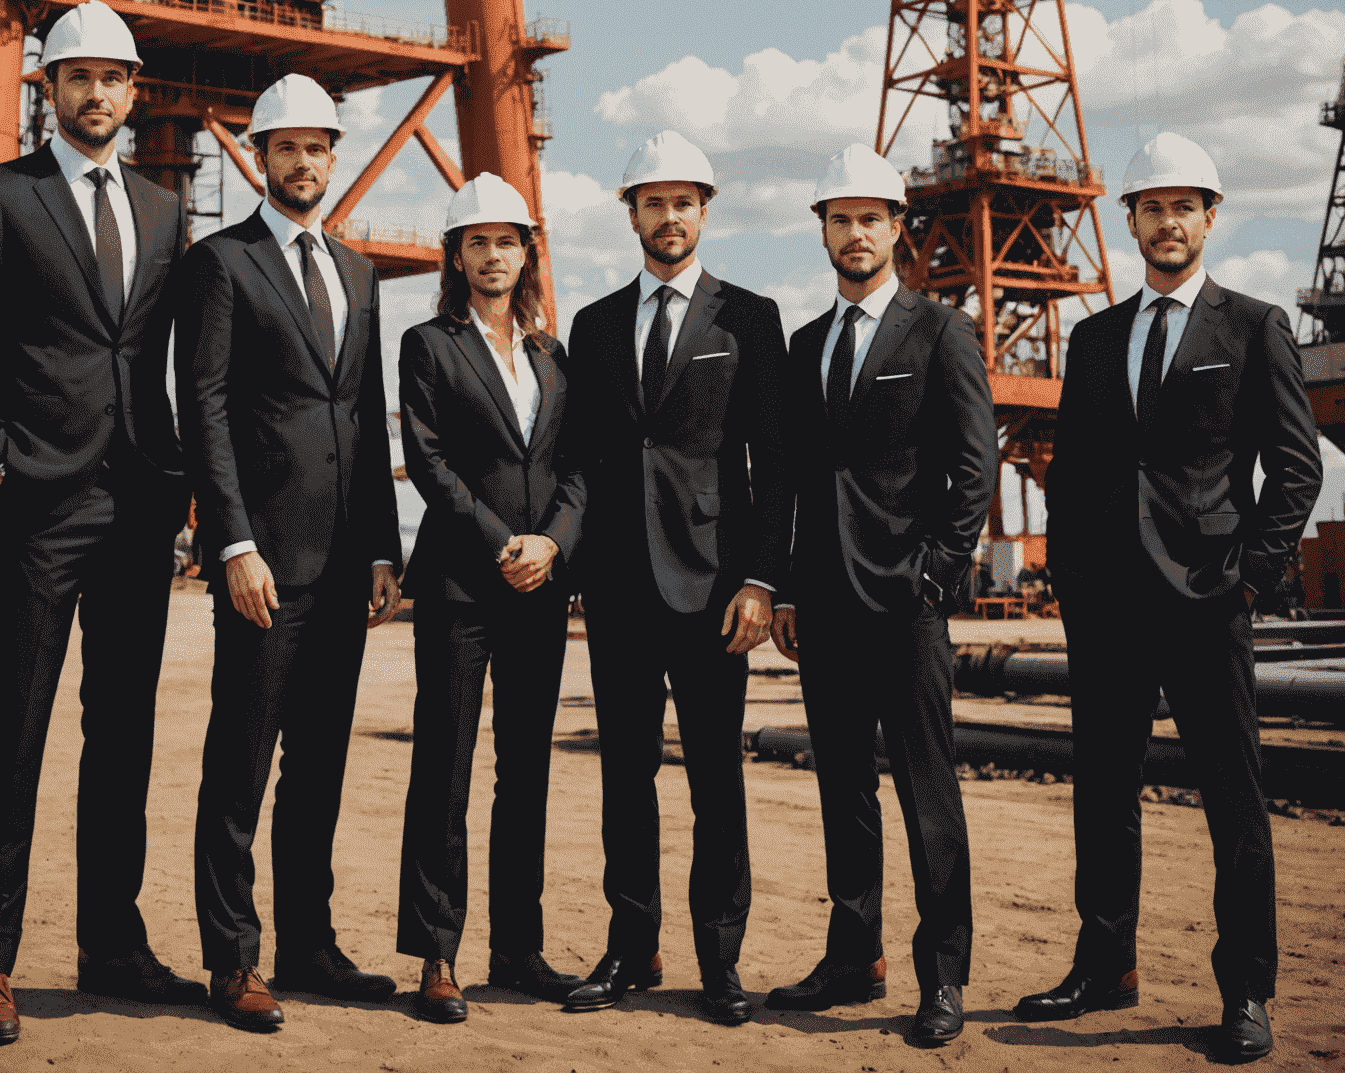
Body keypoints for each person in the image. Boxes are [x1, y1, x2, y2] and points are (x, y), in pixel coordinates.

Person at [1015, 132, 1322, 1064]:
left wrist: (1250, 577)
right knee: (1103, 793)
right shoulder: (1096, 337)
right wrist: (1070, 581)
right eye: (1151, 207)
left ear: (1210, 217)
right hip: (1107, 610)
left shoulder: (1252, 325)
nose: (1168, 221)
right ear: (1132, 220)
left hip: (1204, 603)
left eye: (1184, 205)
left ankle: (1248, 992)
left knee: (1234, 800)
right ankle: (1104, 965)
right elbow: (1070, 478)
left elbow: (1297, 470)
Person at [0, 0, 200, 1047]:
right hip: (43, 497)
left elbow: (181, 357)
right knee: (14, 729)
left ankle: (112, 946)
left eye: (114, 79)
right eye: (77, 77)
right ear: (48, 89)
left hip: (140, 501)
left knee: (120, 733)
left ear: (135, 94)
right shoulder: (0, 195)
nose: (98, 94)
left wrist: (187, 488)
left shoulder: (166, 212)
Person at [177, 74, 403, 1033]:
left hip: (347, 561)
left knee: (319, 765)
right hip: (264, 559)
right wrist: (231, 540)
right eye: (286, 147)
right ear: (259, 158)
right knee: (242, 759)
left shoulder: (356, 273)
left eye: (319, 146)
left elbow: (364, 410)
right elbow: (208, 407)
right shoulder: (221, 263)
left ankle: (308, 943)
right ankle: (235, 962)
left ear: (332, 156)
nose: (304, 162)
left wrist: (386, 548)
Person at [767, 145, 997, 1048]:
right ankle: (854, 957)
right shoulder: (805, 345)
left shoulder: (939, 333)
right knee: (843, 792)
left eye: (872, 218)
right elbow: (786, 477)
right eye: (840, 218)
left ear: (898, 227)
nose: (855, 233)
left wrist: (936, 574)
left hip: (906, 603)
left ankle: (943, 975)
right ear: (821, 229)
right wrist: (786, 586)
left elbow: (975, 467)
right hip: (822, 606)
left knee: (927, 792)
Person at [562, 130, 790, 1026]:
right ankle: (630, 948)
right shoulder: (595, 325)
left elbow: (774, 468)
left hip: (714, 592)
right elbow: (580, 459)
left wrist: (763, 581)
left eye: (683, 202)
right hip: (618, 590)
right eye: (651, 202)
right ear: (631, 214)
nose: (668, 217)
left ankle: (720, 961)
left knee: (714, 783)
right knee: (626, 777)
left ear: (706, 210)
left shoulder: (748, 320)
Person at [394, 173, 588, 1023]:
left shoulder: (554, 355)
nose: (494, 254)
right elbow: (429, 460)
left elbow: (582, 466)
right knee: (445, 766)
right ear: (457, 255)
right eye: (477, 241)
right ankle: (438, 955)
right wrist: (499, 540)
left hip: (541, 586)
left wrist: (551, 543)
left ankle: (517, 947)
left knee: (526, 772)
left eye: (507, 240)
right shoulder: (428, 345)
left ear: (525, 253)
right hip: (460, 585)